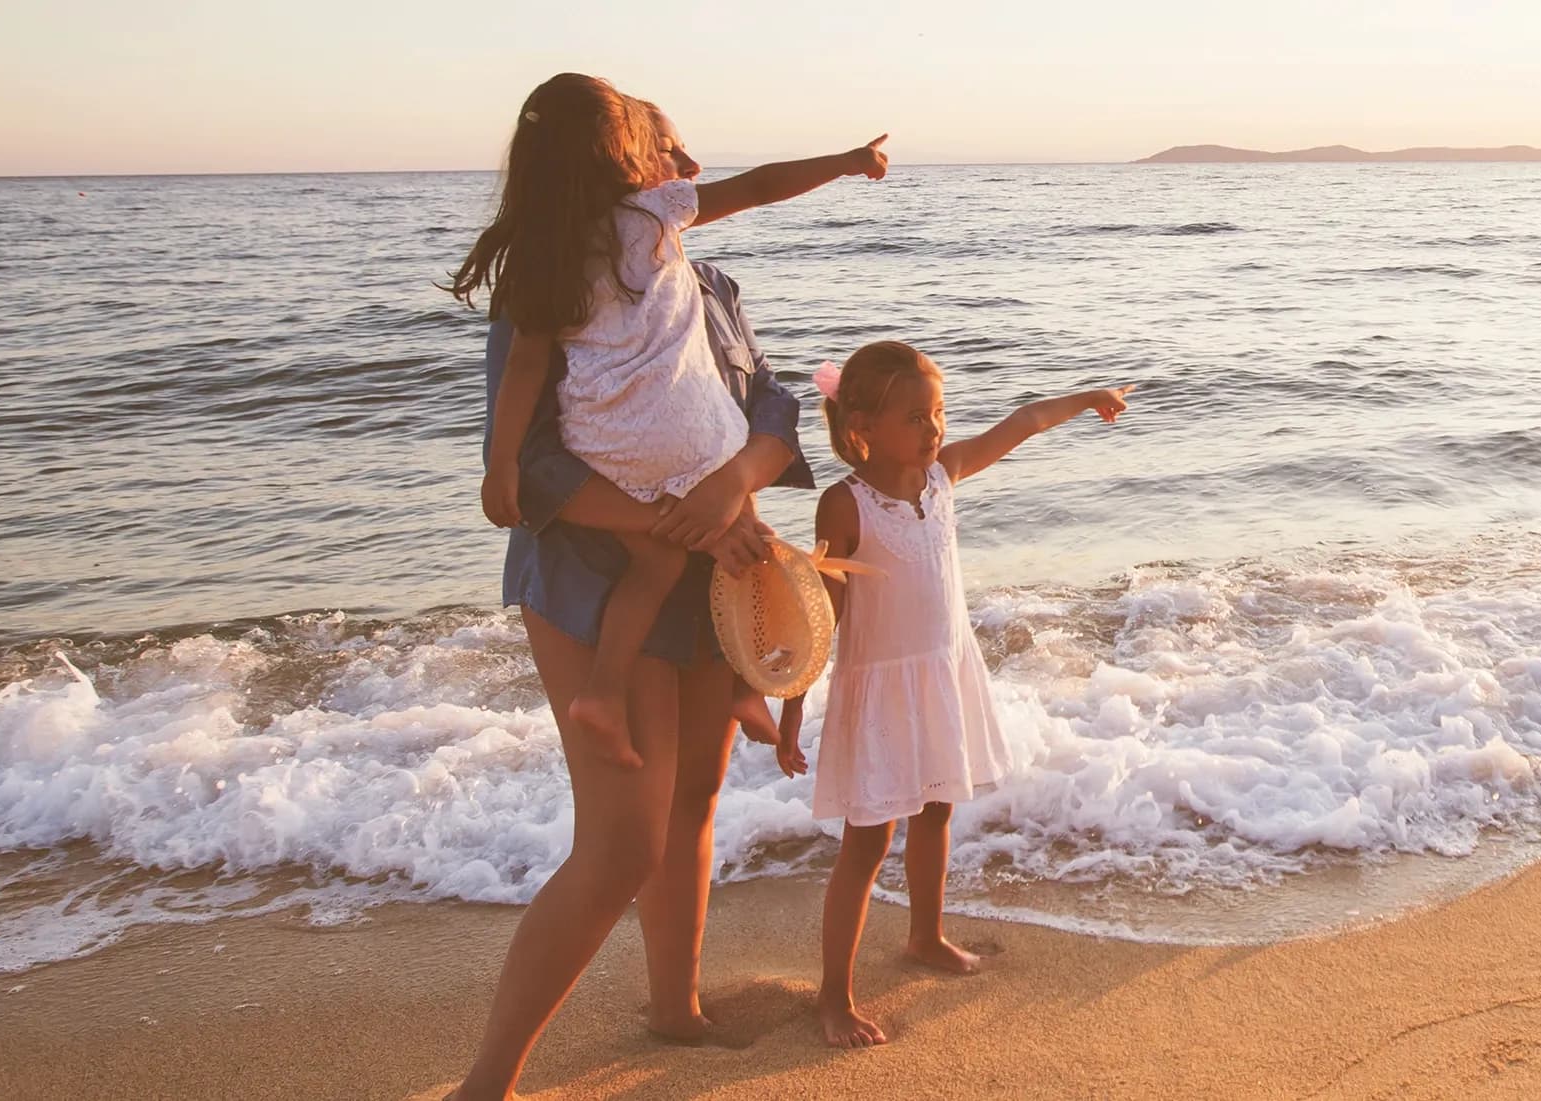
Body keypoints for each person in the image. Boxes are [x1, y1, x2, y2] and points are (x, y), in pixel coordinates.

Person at [446, 72, 882, 1101]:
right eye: (669, 151)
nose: (688, 167)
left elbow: (770, 409)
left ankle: (674, 1007)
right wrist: (674, 523)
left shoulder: (707, 287)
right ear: (631, 165)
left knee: (696, 792)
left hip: (708, 568)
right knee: (621, 842)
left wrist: (732, 490)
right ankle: (486, 1084)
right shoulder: (551, 279)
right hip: (595, 574)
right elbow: (534, 465)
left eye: (692, 155)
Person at [804, 340, 1134, 1046]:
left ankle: (925, 935)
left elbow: (1018, 424)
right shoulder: (845, 504)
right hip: (883, 693)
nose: (935, 430)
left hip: (943, 674)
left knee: (936, 809)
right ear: (862, 426)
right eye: (917, 418)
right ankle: (834, 994)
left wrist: (1084, 398)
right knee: (866, 843)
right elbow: (819, 614)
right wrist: (787, 700)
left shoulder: (942, 478)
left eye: (939, 413)